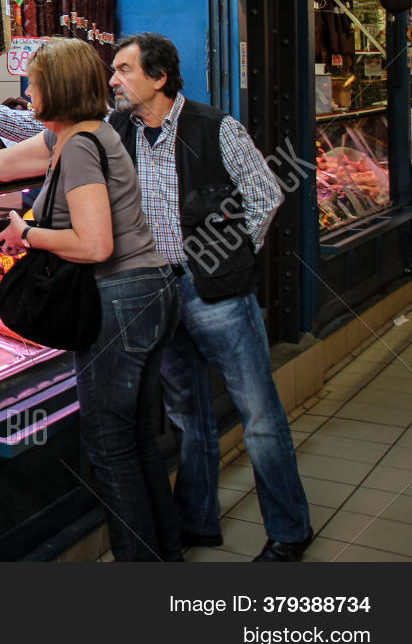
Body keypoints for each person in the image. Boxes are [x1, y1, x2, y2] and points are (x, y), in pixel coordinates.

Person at [107, 33, 312, 561]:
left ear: (158, 77)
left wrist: (228, 258)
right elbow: (48, 141)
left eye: (124, 70)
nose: (114, 80)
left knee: (258, 414)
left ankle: (289, 532)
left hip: (214, 293)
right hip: (156, 291)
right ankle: (197, 521)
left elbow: (265, 194)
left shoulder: (216, 127)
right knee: (186, 414)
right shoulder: (117, 130)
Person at [0, 39, 181, 561]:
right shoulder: (83, 136)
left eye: (36, 82)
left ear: (58, 88)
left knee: (110, 447)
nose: (30, 90)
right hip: (146, 293)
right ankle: (164, 558)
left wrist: (28, 232)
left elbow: (94, 244)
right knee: (134, 439)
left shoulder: (83, 147)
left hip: (120, 299)